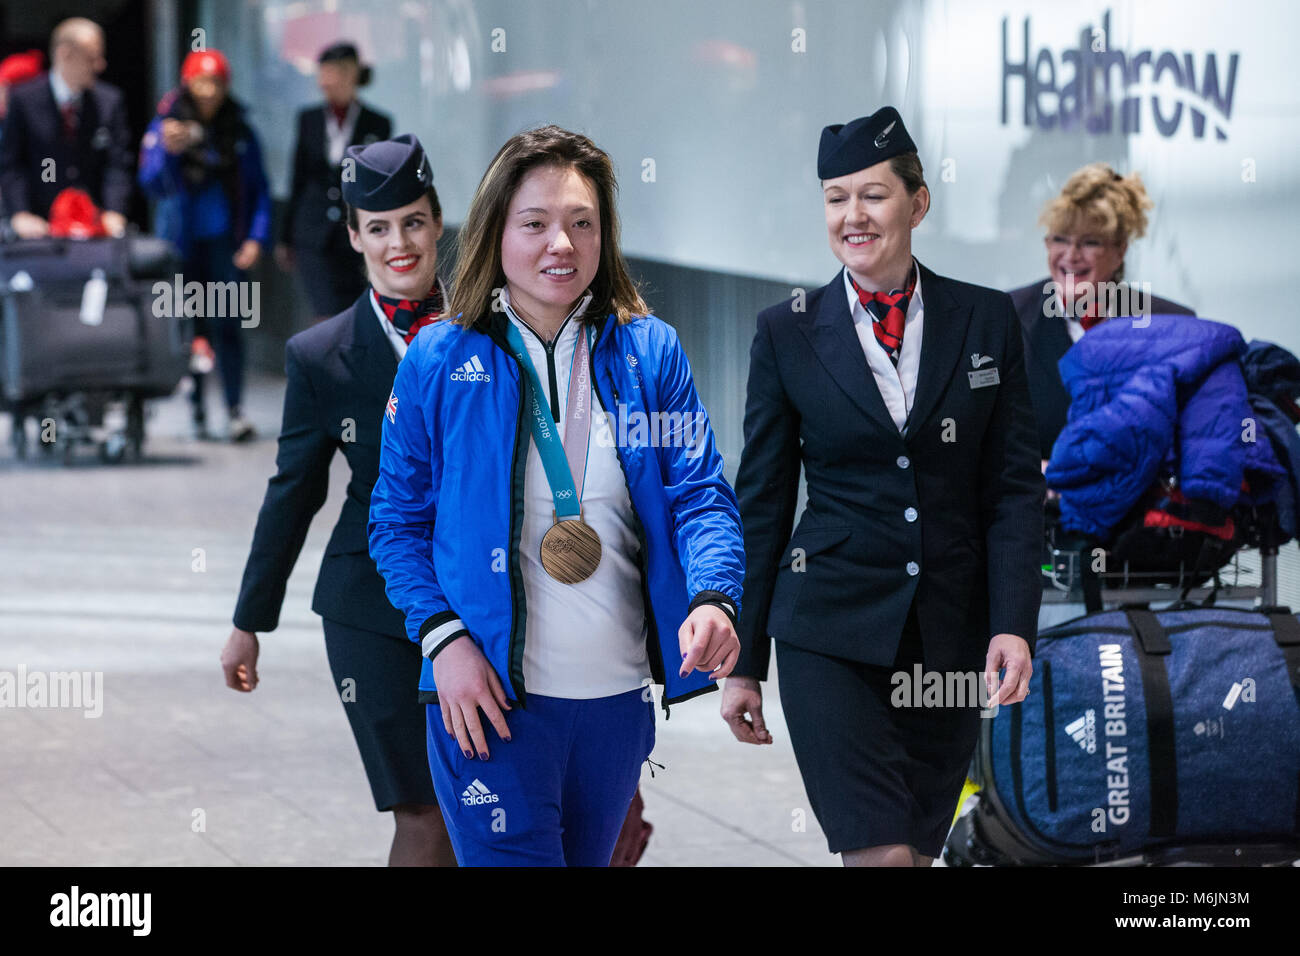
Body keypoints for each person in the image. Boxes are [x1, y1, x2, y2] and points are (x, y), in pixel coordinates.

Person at [368, 124, 744, 867]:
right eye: (535, 223)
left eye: (582, 223)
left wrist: (714, 596)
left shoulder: (649, 352)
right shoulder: (439, 360)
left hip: (615, 703)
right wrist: (442, 640)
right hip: (489, 700)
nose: (561, 244)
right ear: (495, 235)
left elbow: (699, 493)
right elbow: (396, 524)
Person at [723, 107, 1045, 867]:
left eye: (872, 195)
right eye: (836, 198)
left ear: (918, 203)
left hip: (951, 637)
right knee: (883, 857)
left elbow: (1011, 491)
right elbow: (763, 502)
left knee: (918, 852)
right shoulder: (786, 331)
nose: (852, 216)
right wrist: (745, 659)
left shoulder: (988, 319)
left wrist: (1013, 623)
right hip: (829, 633)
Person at [221, 134, 454, 867]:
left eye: (413, 221)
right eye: (378, 228)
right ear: (353, 236)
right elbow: (293, 491)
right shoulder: (321, 355)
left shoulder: (496, 328)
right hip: (372, 611)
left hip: (489, 601)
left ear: (438, 222)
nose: (399, 244)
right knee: (427, 817)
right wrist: (248, 621)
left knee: (496, 811)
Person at [1009, 162, 1195, 463]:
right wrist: (1034, 476)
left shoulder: (1171, 324)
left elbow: (1187, 439)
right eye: (1060, 239)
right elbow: (983, 436)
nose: (1070, 256)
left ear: (1120, 251)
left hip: (1137, 506)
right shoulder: (1008, 316)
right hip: (1038, 506)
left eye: (1090, 242)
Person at [138, 49, 271, 442]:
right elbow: (150, 183)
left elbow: (260, 189)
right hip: (181, 247)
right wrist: (167, 152)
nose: (208, 91)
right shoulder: (166, 124)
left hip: (225, 245)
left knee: (228, 325)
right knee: (189, 328)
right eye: (201, 82)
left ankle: (233, 408)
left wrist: (256, 238)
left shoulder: (241, 131)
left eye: (215, 83)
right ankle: (196, 407)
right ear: (188, 84)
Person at [277, 42, 392, 323]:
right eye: (321, 74)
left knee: (353, 312)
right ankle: (329, 366)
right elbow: (298, 177)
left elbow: (379, 181)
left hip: (354, 233)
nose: (324, 82)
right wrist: (285, 235)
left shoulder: (377, 123)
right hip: (312, 232)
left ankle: (348, 366)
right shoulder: (309, 119)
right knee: (324, 312)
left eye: (331, 73)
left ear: (351, 74)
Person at [0, 19, 131, 238]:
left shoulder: (109, 101)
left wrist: (114, 210)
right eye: (92, 58)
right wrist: (20, 213)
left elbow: (117, 164)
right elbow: (11, 163)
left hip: (95, 226)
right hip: (40, 226)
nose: (100, 65)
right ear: (65, 54)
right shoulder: (24, 99)